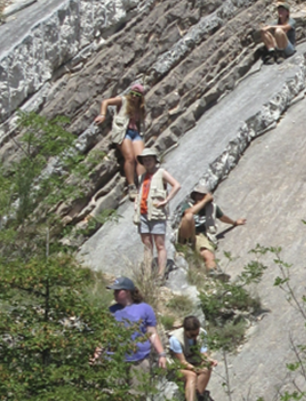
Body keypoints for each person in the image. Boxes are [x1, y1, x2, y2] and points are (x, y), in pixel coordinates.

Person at [133, 147, 181, 281]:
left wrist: (166, 201)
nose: (147, 162)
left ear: (155, 160)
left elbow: (176, 185)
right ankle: (147, 275)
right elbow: (140, 192)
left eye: (149, 159)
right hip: (143, 214)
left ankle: (161, 274)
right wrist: (136, 203)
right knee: (147, 244)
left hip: (156, 214)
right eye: (145, 160)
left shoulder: (161, 172)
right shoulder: (142, 176)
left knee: (160, 244)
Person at [177, 181, 247, 272]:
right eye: (198, 195)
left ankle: (213, 272)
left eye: (202, 195)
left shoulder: (212, 208)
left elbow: (223, 218)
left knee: (209, 255)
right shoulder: (188, 206)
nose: (200, 197)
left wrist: (234, 223)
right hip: (186, 233)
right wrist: (204, 201)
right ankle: (183, 245)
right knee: (189, 216)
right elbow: (188, 213)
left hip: (200, 237)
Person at [106, 276, 167, 373]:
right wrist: (96, 355)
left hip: (139, 359)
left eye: (118, 291)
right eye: (114, 291)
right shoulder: (111, 311)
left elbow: (152, 333)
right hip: (115, 359)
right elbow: (104, 335)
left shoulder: (145, 308)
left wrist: (161, 354)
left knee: (137, 387)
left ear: (127, 292)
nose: (114, 293)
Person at [96, 82, 148, 196]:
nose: (134, 96)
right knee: (129, 158)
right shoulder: (123, 100)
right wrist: (102, 115)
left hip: (135, 133)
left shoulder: (140, 108)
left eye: (137, 95)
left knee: (141, 158)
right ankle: (131, 186)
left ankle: (143, 184)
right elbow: (106, 102)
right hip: (123, 132)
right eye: (133, 93)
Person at [167, 315, 218, 401]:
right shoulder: (176, 339)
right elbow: (182, 361)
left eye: (197, 334)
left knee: (206, 368)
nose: (195, 337)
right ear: (185, 331)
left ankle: (198, 395)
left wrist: (209, 360)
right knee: (192, 375)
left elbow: (203, 354)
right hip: (178, 366)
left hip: (193, 361)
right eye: (192, 335)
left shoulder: (202, 334)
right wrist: (195, 369)